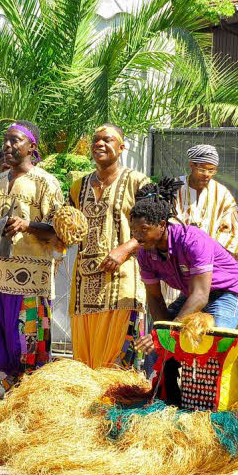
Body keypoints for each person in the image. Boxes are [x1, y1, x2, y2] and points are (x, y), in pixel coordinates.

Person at [0, 121, 63, 395]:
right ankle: (6, 393)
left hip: (29, 282)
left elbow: (58, 230)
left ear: (31, 146)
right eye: (5, 141)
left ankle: (26, 399)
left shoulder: (46, 182)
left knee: (27, 344)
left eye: (15, 140)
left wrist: (27, 225)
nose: (7, 146)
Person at [68, 125, 150, 370]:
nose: (99, 144)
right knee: (86, 360)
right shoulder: (78, 186)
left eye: (107, 139)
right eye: (95, 140)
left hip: (124, 281)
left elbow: (158, 223)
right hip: (84, 286)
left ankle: (118, 403)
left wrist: (126, 248)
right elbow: (66, 224)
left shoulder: (138, 182)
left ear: (121, 147)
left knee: (120, 357)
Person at [130, 179, 238, 333]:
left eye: (144, 229)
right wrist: (161, 334)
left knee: (214, 340)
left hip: (226, 292)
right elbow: (154, 297)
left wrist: (170, 331)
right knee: (158, 351)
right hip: (192, 294)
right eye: (134, 231)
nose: (138, 236)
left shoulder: (192, 240)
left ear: (161, 225)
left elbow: (200, 295)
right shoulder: (145, 253)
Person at [174, 144, 238, 259]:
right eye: (202, 170)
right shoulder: (174, 187)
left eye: (211, 170)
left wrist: (210, 250)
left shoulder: (222, 193)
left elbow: (233, 229)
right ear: (191, 165)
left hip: (211, 258)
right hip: (177, 255)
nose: (207, 175)